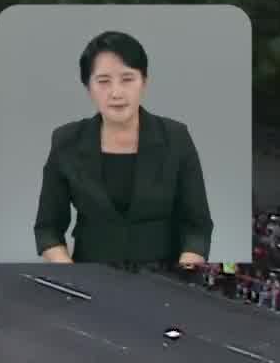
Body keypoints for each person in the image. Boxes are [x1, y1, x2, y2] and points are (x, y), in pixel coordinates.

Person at [33, 30, 214, 267]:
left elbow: (197, 225)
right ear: (88, 87)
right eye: (104, 81)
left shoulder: (176, 138)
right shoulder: (66, 141)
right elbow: (48, 227)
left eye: (127, 79)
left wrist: (184, 275)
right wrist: (71, 273)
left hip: (163, 278)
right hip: (92, 275)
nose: (116, 93)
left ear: (144, 82)